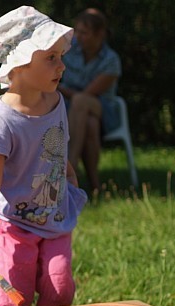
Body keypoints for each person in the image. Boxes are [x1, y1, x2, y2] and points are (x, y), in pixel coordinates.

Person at [0, 6, 88, 306]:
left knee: (59, 290)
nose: (62, 66)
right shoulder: (2, 120)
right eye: (51, 58)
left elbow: (59, 149)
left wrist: (70, 181)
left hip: (54, 217)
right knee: (11, 296)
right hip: (12, 224)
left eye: (61, 57)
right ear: (19, 63)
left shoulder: (56, 101)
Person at [58, 8, 122, 193]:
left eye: (84, 33)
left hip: (103, 110)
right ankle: (94, 185)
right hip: (77, 112)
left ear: (99, 34)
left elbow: (88, 93)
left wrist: (59, 88)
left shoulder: (111, 60)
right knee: (90, 124)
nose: (78, 37)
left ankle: (70, 165)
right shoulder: (70, 51)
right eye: (77, 31)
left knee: (81, 101)